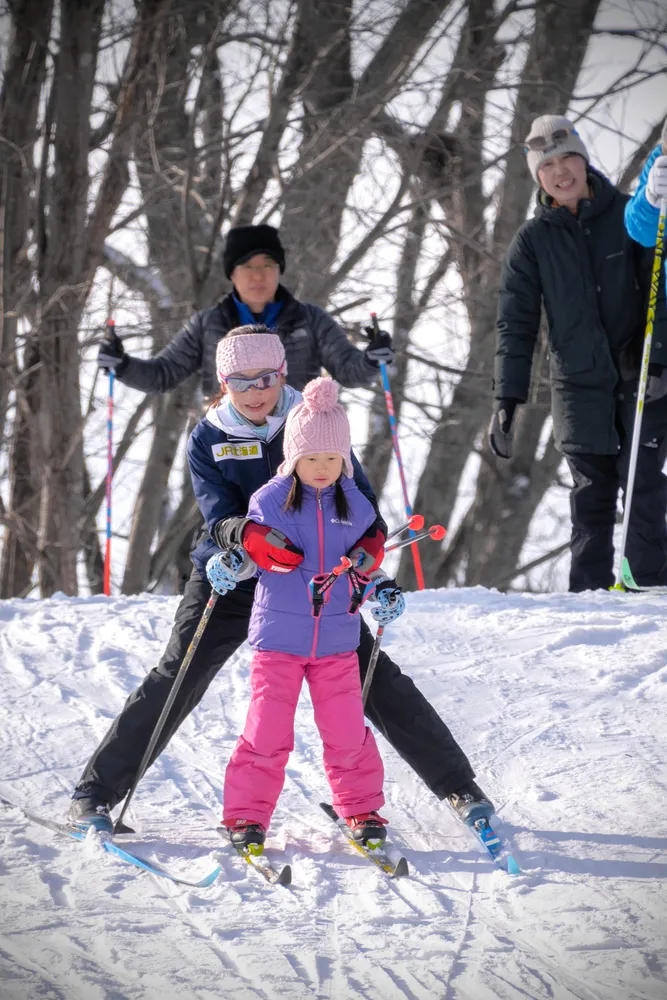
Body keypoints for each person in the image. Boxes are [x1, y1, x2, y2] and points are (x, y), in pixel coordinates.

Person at [69, 326, 493, 832]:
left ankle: (459, 787)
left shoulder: (315, 418)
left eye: (265, 378)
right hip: (235, 572)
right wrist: (246, 537)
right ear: (223, 382)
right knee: (180, 671)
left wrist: (372, 542)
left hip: (312, 580)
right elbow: (217, 514)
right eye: (241, 381)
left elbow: (358, 500)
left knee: (370, 674)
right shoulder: (209, 435)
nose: (255, 391)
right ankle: (95, 795)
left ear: (283, 373)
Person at [210, 376, 393, 848]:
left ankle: (361, 810)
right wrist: (233, 561)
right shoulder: (270, 501)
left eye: (332, 458)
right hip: (279, 641)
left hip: (337, 641)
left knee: (348, 733)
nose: (322, 467)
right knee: (267, 733)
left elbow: (363, 564)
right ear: (293, 456)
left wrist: (382, 589)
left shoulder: (355, 504)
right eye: (312, 457)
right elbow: (253, 553)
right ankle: (247, 817)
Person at [489, 114, 667, 592]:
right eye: (547, 164)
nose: (561, 170)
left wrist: (662, 361)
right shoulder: (532, 241)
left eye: (569, 156)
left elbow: (661, 289)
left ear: (585, 161)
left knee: (644, 479)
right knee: (591, 494)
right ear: (537, 176)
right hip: (577, 383)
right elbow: (516, 323)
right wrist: (507, 399)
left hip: (641, 373)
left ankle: (647, 584)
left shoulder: (633, 216)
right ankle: (587, 597)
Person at [97, 223, 394, 398]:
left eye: (267, 265)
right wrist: (121, 365)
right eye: (247, 267)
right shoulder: (209, 324)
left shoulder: (310, 319)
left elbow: (348, 370)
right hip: (230, 448)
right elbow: (162, 374)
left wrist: (371, 359)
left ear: (279, 270)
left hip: (297, 445)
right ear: (232, 273)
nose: (258, 276)